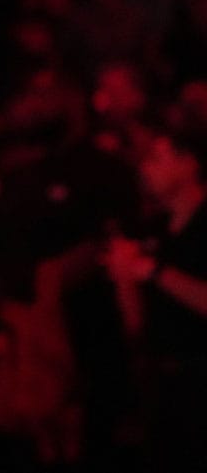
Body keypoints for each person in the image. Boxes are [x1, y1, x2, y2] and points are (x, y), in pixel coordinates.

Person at [105, 124, 207, 472]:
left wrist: (153, 271)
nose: (146, 168)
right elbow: (136, 325)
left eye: (157, 159)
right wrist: (124, 280)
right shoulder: (151, 230)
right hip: (162, 381)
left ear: (189, 163)